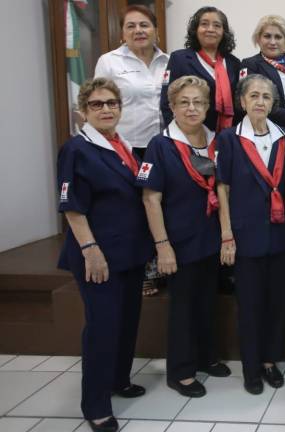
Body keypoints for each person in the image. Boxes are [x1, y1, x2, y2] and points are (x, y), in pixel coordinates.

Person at [57, 78, 152, 432]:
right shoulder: (77, 149)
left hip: (128, 253)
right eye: (97, 104)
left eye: (112, 103)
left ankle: (119, 380)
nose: (106, 109)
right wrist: (89, 249)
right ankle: (95, 404)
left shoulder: (122, 146)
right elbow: (72, 207)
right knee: (102, 328)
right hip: (98, 256)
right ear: (83, 109)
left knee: (127, 322)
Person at [139, 75, 231, 398]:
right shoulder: (160, 145)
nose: (192, 108)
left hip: (209, 237)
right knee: (183, 307)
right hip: (178, 241)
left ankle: (206, 358)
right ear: (172, 107)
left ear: (207, 107)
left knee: (207, 302)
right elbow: (151, 199)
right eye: (184, 102)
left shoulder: (215, 141)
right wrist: (162, 247)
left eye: (198, 102)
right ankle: (180, 371)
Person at [216, 74, 285, 395]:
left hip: (279, 234)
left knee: (276, 303)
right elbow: (223, 188)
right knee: (249, 305)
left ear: (273, 104)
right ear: (242, 101)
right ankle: (250, 367)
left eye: (266, 97)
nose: (260, 102)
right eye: (254, 96)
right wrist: (226, 235)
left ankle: (269, 361)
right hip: (245, 236)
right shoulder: (229, 139)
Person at [94, 5, 169, 298]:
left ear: (155, 30)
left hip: (162, 145)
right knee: (132, 209)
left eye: (144, 25)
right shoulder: (109, 62)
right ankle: (139, 271)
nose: (138, 31)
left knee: (160, 206)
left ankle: (160, 265)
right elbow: (99, 102)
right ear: (123, 32)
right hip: (126, 146)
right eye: (131, 26)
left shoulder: (169, 61)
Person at [160, 6, 240, 133]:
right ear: (195, 29)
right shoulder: (179, 59)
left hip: (227, 135)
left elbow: (239, 104)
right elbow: (167, 101)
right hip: (191, 135)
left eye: (217, 25)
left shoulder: (233, 63)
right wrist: (177, 136)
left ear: (223, 32)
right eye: (204, 24)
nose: (210, 29)